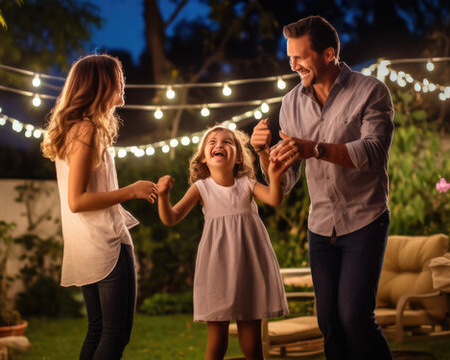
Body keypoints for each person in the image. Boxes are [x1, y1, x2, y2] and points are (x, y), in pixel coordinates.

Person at [250, 15, 395, 359]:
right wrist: (262, 153)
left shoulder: (370, 91)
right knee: (329, 322)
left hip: (364, 220)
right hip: (320, 226)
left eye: (301, 57)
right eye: (290, 57)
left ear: (328, 54)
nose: (293, 65)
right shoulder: (290, 104)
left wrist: (315, 148)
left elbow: (374, 153)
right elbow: (284, 181)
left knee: (355, 317)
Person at [41, 54, 158, 360]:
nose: (123, 83)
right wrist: (131, 191)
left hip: (88, 242)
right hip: (103, 243)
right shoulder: (84, 129)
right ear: (101, 83)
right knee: (115, 334)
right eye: (118, 77)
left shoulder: (81, 128)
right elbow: (77, 200)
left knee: (98, 329)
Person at [155, 126, 294, 360]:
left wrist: (276, 175)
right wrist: (163, 196)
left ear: (239, 156)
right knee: (217, 342)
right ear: (203, 158)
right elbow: (171, 218)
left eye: (227, 142)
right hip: (217, 268)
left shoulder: (247, 183)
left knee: (251, 344)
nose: (219, 145)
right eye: (212, 142)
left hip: (248, 265)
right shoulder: (201, 188)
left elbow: (274, 198)